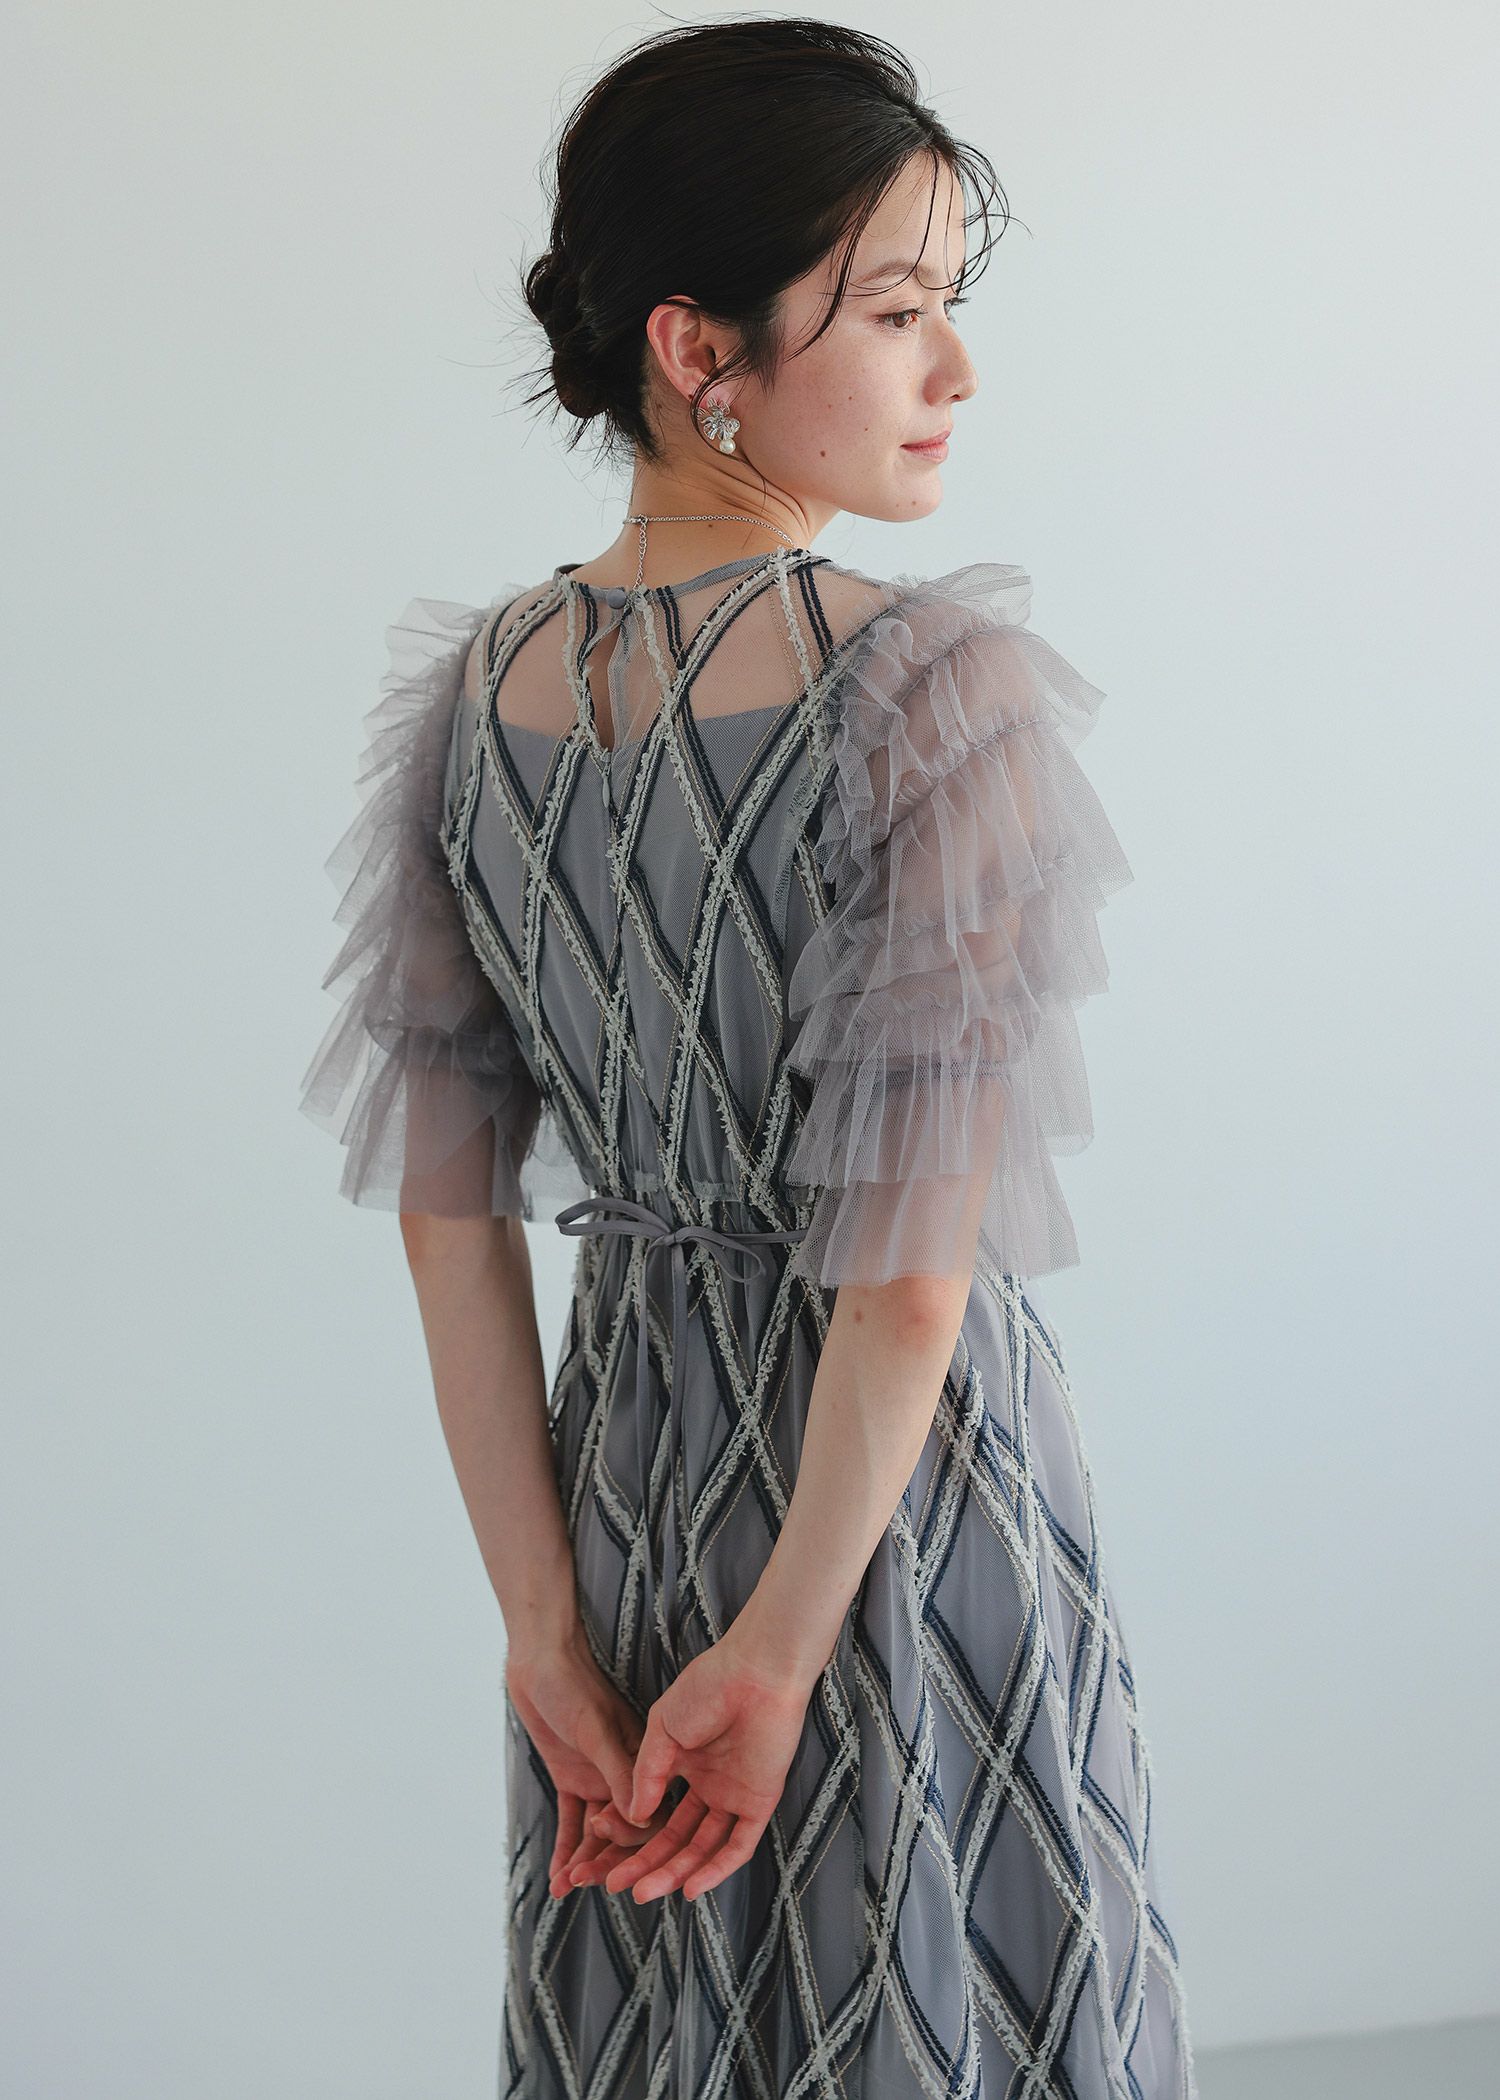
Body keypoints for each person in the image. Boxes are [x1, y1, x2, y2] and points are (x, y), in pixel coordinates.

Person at [299, 18, 1199, 2097]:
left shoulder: (474, 699)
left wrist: (543, 1631)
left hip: (627, 1479)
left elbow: (449, 1231)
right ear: (697, 347)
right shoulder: (926, 686)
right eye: (893, 311)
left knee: (664, 2018)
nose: (953, 370)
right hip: (890, 1503)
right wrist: (785, 1656)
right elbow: (908, 1281)